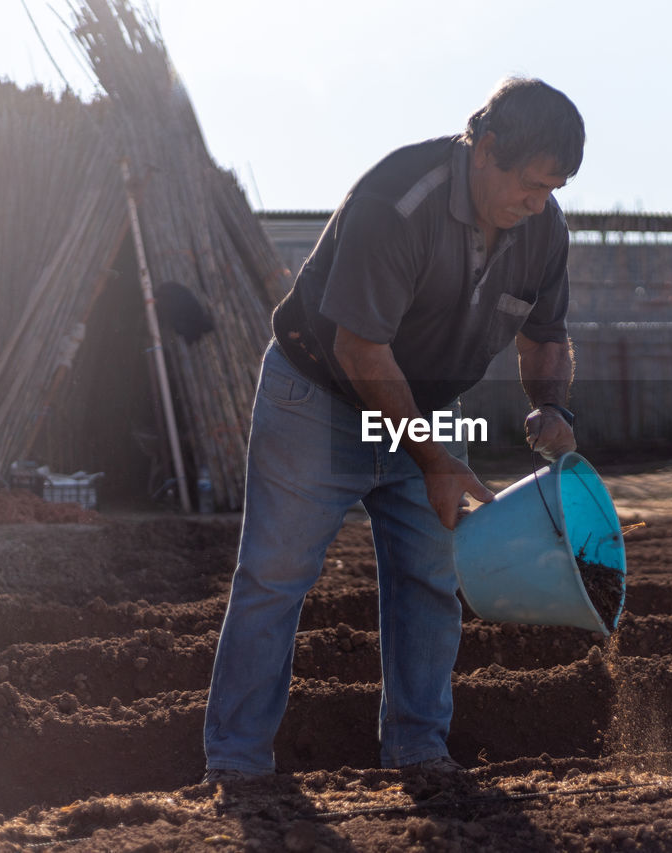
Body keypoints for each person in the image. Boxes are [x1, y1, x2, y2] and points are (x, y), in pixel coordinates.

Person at [203, 77, 585, 782]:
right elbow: (360, 352)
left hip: (431, 398)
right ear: (486, 149)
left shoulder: (544, 229)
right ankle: (237, 764)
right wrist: (434, 459)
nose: (538, 205)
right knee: (274, 577)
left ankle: (418, 749)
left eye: (550, 191)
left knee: (430, 579)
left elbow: (545, 337)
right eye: (529, 186)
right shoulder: (398, 201)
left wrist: (556, 408)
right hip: (316, 395)